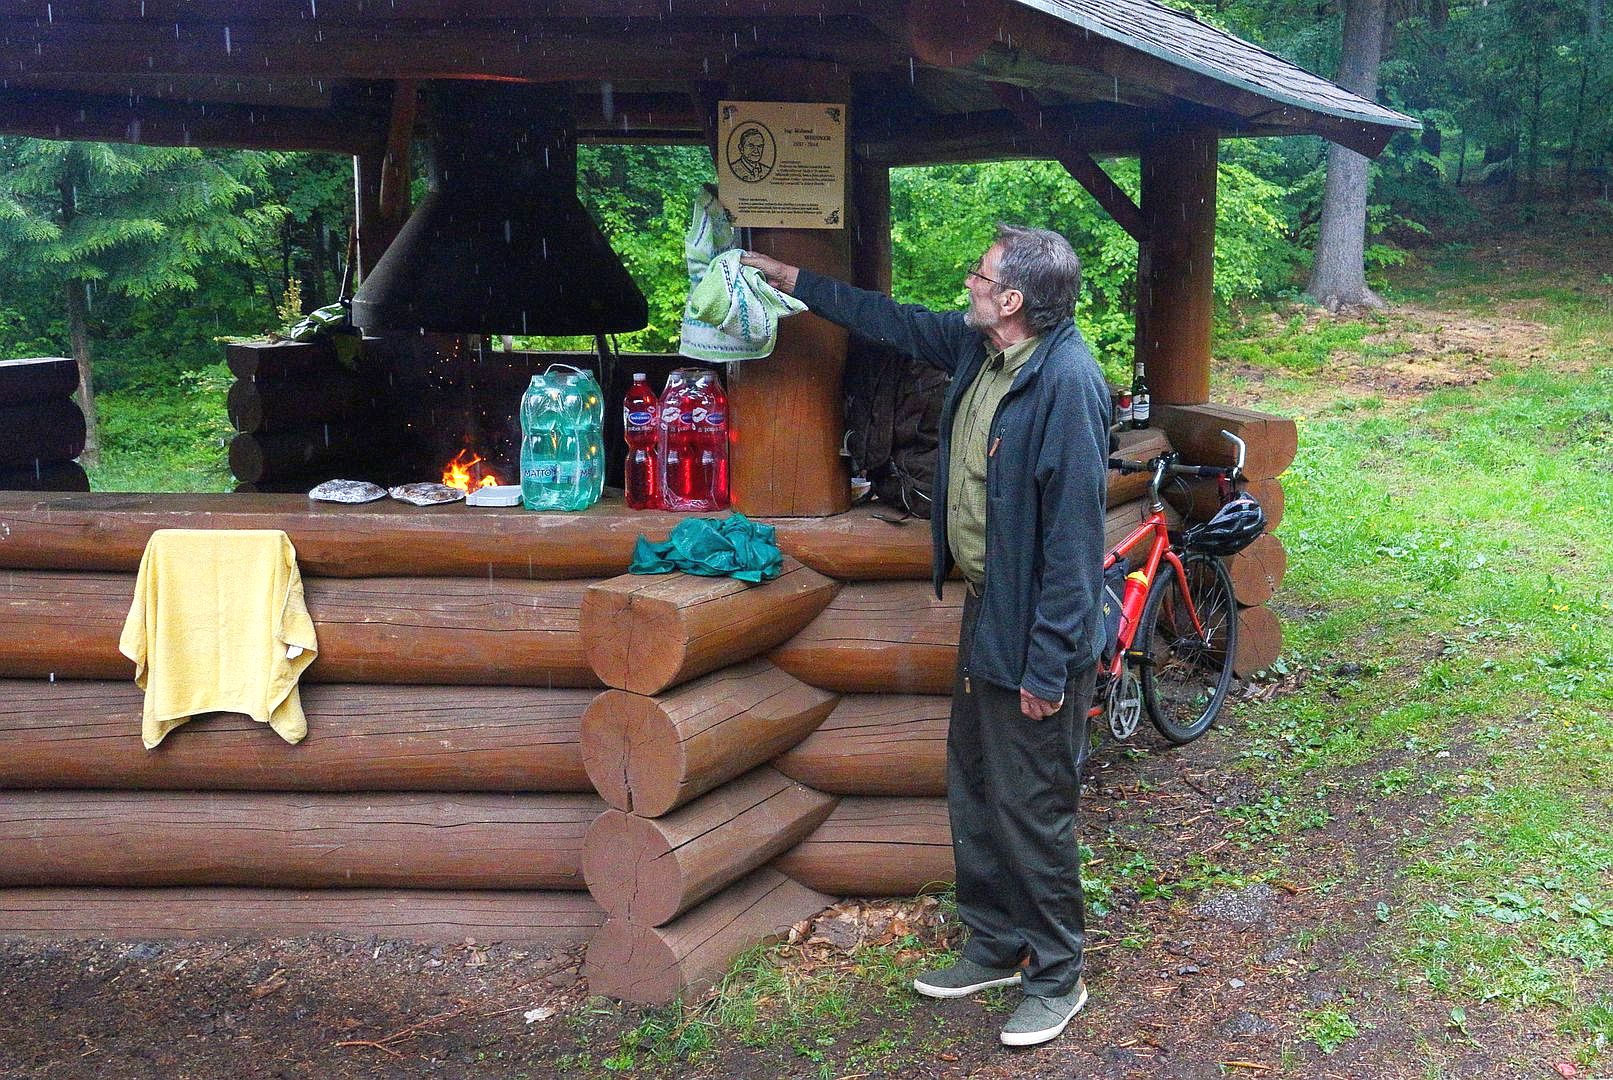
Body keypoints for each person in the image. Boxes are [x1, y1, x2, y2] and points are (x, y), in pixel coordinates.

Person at [740, 225, 1110, 1048]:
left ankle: (1057, 976)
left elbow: (1073, 548)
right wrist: (793, 276)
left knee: (1030, 804)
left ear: (1011, 299)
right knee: (975, 783)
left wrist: (1047, 669)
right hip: (989, 606)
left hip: (1037, 626)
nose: (968, 283)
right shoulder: (982, 348)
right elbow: (891, 319)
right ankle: (995, 942)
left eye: (979, 275)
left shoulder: (1067, 384)